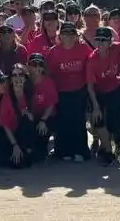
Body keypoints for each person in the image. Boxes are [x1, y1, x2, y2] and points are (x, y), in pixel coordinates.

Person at [44, 22, 92, 161]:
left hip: (79, 90)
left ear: (76, 35)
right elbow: (49, 72)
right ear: (60, 36)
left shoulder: (83, 48)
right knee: (63, 122)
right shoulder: (54, 51)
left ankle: (80, 151)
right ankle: (63, 151)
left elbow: (90, 64)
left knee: (79, 121)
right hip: (61, 91)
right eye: (65, 34)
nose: (68, 36)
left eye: (71, 33)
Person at [86, 27, 120, 165]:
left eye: (104, 40)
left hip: (114, 90)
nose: (100, 43)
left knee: (113, 122)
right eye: (97, 40)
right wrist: (95, 107)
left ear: (110, 42)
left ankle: (109, 146)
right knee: (98, 120)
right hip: (98, 92)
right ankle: (108, 151)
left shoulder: (118, 48)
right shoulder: (92, 59)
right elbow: (90, 87)